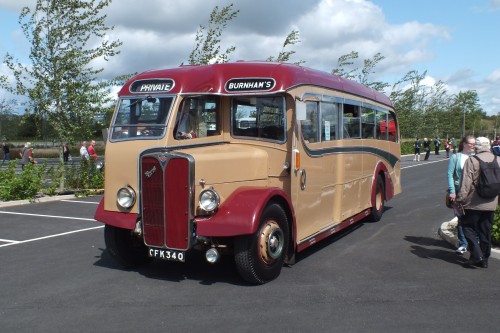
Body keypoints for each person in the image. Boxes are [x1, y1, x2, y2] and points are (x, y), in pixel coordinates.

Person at [456, 136, 498, 268]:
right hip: (491, 203)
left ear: (477, 147)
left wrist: (459, 200)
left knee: (467, 227)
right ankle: (484, 260)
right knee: (485, 231)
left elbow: (465, 184)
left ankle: (477, 255)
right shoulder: (498, 159)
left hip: (473, 203)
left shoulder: (472, 160)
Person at [447, 136, 475, 255]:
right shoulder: (456, 157)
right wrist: (452, 191)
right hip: (459, 191)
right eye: (471, 143)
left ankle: (473, 241)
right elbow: (450, 175)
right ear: (464, 143)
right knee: (460, 218)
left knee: (473, 218)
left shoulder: (474, 157)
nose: (473, 146)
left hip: (473, 192)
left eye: (474, 144)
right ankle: (463, 243)